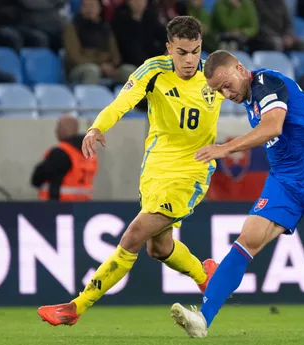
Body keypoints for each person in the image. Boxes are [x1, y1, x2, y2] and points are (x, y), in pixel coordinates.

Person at [37, 16, 223, 326]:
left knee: (133, 236)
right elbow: (122, 102)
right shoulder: (153, 71)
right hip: (155, 171)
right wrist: (97, 127)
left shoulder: (214, 74)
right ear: (169, 48)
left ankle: (75, 307)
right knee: (159, 248)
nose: (190, 60)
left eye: (195, 51)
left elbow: (252, 99)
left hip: (193, 170)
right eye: (182, 52)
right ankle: (205, 275)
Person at [170, 50, 304, 338]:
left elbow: (273, 126)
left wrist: (225, 148)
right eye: (218, 90)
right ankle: (202, 320)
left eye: (226, 84)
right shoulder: (248, 98)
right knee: (248, 239)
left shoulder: (267, 82)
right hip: (286, 180)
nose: (225, 93)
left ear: (239, 68)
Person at [31, 115, 97, 201]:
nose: (56, 131)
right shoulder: (89, 153)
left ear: (65, 129)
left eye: (58, 127)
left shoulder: (61, 153)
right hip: (83, 206)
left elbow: (36, 179)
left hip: (59, 207)